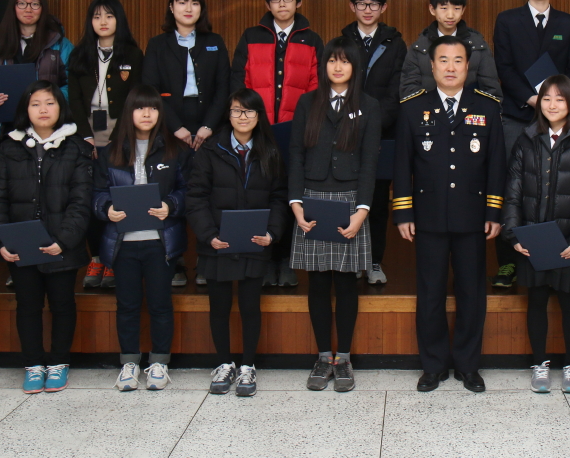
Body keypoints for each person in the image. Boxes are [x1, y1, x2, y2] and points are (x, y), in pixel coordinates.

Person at [394, 34, 506, 394]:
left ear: (468, 65)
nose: (451, 67)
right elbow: (402, 165)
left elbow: (496, 164)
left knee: (472, 293)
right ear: (432, 66)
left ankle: (468, 366)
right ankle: (434, 366)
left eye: (458, 60)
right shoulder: (413, 107)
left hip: (472, 216)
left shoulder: (487, 107)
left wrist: (494, 210)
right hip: (427, 217)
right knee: (430, 294)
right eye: (443, 60)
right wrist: (403, 213)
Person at [0, 80, 93, 395]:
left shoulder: (76, 147)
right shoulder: (9, 146)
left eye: (50, 103)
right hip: (21, 245)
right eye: (35, 104)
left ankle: (58, 362)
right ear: (25, 110)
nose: (43, 109)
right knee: (27, 305)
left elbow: (81, 201)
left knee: (62, 304)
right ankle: (33, 364)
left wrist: (64, 240)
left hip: (62, 244)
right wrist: (0, 241)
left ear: (61, 107)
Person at [288, 37, 381, 393]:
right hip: (311, 199)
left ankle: (343, 358)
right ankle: (322, 356)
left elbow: (370, 162)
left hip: (349, 201)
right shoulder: (307, 102)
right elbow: (295, 154)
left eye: (344, 61)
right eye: (331, 60)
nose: (338, 67)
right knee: (317, 283)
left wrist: (362, 211)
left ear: (355, 67)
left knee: (345, 283)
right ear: (323, 65)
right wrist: (296, 204)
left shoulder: (369, 105)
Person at [501, 76, 570, 394]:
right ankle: (539, 364)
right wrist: (514, 235)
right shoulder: (526, 139)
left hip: (569, 241)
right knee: (537, 300)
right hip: (533, 238)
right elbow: (513, 191)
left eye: (560, 99)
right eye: (546, 98)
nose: (552, 105)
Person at [492, 0, 570, 289]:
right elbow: (503, 67)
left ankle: (552, 255)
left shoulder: (567, 23)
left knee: (555, 187)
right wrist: (532, 99)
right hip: (517, 115)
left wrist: (557, 101)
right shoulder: (507, 20)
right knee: (513, 187)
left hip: (559, 118)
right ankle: (507, 262)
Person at [187, 88, 289, 397]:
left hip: (254, 241)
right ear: (228, 115)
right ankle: (223, 363)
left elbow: (279, 197)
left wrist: (272, 234)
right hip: (217, 242)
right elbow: (196, 197)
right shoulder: (210, 149)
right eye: (236, 110)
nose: (242, 117)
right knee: (219, 306)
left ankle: (247, 366)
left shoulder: (270, 151)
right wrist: (209, 235)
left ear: (258, 116)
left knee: (249, 306)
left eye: (248, 111)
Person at [92, 86, 187, 391]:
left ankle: (159, 362)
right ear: (129, 112)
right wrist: (106, 208)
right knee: (127, 305)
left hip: (161, 242)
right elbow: (96, 193)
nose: (147, 114)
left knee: (160, 303)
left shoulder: (175, 150)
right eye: (140, 107)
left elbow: (189, 190)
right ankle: (129, 362)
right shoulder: (110, 152)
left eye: (154, 108)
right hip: (123, 242)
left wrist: (170, 205)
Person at [230, 0, 321, 288]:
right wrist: (247, 120)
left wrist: (306, 125)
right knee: (261, 194)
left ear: (298, 2)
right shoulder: (251, 36)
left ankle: (286, 260)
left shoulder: (312, 39)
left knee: (291, 195)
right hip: (258, 131)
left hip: (296, 132)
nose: (282, 4)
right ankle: (264, 259)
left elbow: (316, 86)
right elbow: (239, 81)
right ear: (268, 4)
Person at [142, 0, 229, 287]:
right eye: (181, 2)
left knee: (209, 193)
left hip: (210, 127)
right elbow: (152, 90)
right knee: (171, 190)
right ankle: (175, 259)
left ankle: (207, 259)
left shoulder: (214, 41)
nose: (188, 8)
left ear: (201, 8)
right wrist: (176, 127)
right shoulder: (157, 44)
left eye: (194, 2)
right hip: (170, 127)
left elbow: (223, 89)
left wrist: (208, 127)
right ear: (171, 7)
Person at [67, 0, 144, 290]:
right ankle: (97, 257)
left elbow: (136, 98)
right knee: (91, 199)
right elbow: (74, 99)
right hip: (87, 135)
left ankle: (114, 258)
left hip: (122, 136)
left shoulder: (132, 54)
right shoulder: (79, 55)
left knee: (118, 196)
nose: (102, 22)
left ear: (118, 20)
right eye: (97, 16)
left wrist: (119, 138)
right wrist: (86, 136)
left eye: (109, 16)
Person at [341, 0, 407, 286]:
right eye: (362, 4)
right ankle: (353, 258)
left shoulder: (396, 43)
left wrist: (374, 123)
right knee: (349, 197)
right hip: (346, 133)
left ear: (384, 8)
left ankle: (374, 260)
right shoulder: (342, 42)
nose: (368, 10)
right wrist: (352, 122)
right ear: (352, 7)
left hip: (383, 133)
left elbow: (398, 91)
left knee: (379, 200)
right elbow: (336, 84)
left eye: (374, 5)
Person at [0, 0, 74, 139]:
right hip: (9, 127)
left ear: (42, 8)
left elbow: (73, 85)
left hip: (51, 126)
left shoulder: (61, 45)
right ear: (13, 7)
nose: (28, 9)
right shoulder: (0, 46)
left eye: (35, 4)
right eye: (22, 3)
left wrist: (50, 100)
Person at [399, 0, 502, 100]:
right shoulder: (419, 47)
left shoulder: (478, 45)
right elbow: (408, 90)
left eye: (457, 8)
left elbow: (491, 90)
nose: (450, 15)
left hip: (470, 110)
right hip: (428, 110)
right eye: (444, 8)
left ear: (463, 10)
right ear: (432, 9)